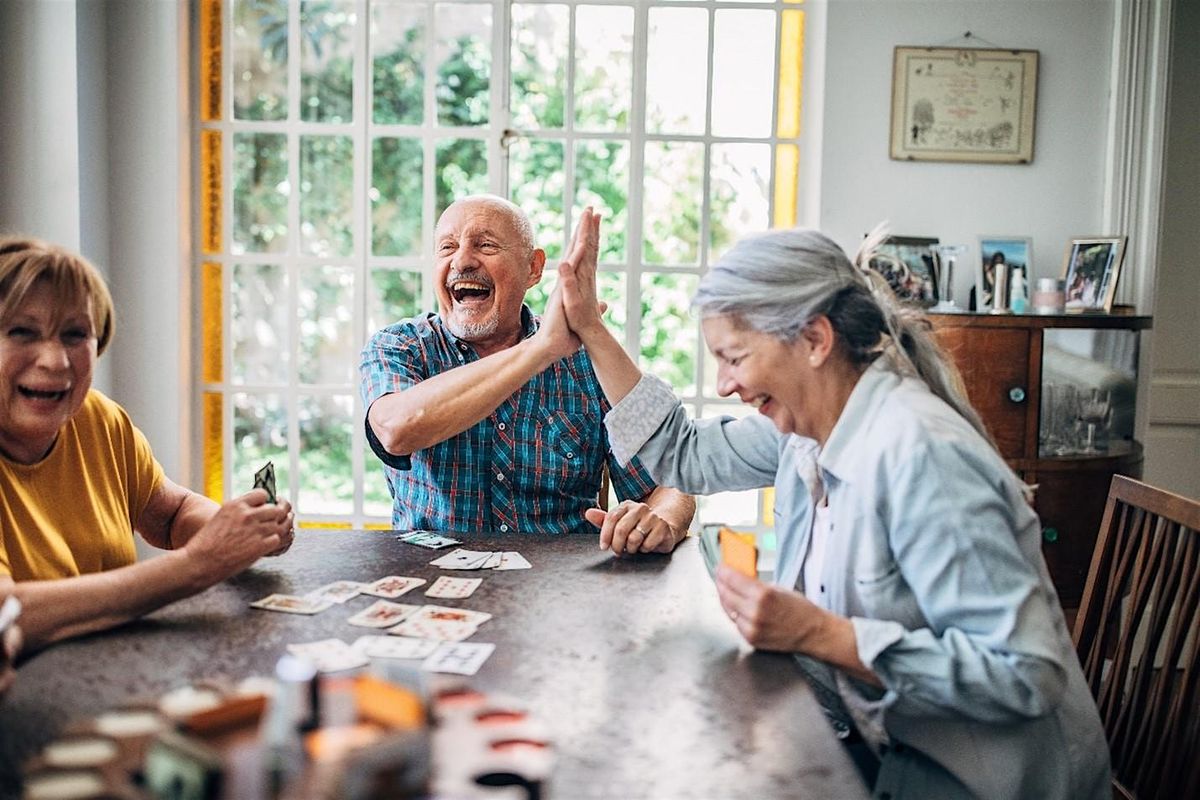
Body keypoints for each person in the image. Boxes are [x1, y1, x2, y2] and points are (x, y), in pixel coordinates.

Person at [548, 213, 1110, 799]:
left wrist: (820, 634)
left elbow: (1025, 673)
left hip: (983, 780)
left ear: (815, 340)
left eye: (735, 357)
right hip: (879, 742)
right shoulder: (807, 430)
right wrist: (589, 327)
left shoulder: (922, 455)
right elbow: (683, 453)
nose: (723, 385)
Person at [0, 237, 296, 651]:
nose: (56, 360)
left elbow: (171, 515)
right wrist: (197, 565)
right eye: (22, 332)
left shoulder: (98, 418)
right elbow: (8, 615)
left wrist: (236, 533)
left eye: (74, 334)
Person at [359, 195, 694, 554]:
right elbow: (396, 430)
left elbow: (668, 482)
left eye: (485, 245)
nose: (462, 260)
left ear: (533, 269)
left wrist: (662, 521)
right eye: (447, 247)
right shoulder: (400, 346)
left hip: (560, 588)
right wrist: (540, 349)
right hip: (430, 583)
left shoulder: (589, 363)